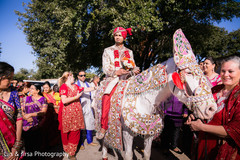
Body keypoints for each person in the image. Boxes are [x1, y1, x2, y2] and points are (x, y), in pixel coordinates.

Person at [186, 56, 240, 160]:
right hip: (202, 144)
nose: (225, 75)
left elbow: (236, 130)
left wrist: (201, 127)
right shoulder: (214, 90)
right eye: (223, 71)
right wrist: (195, 115)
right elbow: (204, 109)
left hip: (222, 150)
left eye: (230, 71)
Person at [97, 27, 140, 139]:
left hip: (127, 79)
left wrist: (135, 70)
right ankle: (103, 126)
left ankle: (136, 123)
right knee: (106, 97)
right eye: (116, 35)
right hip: (113, 79)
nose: (117, 37)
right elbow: (105, 68)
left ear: (124, 37)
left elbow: (132, 65)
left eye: (120, 35)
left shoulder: (129, 52)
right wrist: (117, 71)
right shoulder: (107, 50)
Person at [58, 72, 95, 159]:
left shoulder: (75, 86)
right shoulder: (63, 86)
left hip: (76, 113)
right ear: (68, 77)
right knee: (66, 132)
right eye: (72, 76)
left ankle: (72, 153)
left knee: (75, 132)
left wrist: (96, 87)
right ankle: (67, 150)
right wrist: (76, 97)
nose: (74, 78)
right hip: (66, 113)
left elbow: (86, 89)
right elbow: (64, 100)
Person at [0, 62, 23, 159]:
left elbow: (19, 117)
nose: (11, 81)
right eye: (8, 78)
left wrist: (17, 144)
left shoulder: (13, 93)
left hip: (13, 140)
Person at [21, 83, 48, 159]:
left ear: (38, 90)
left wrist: (31, 115)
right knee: (27, 145)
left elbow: (43, 112)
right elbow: (22, 110)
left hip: (38, 123)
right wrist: (25, 117)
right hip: (26, 124)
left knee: (36, 144)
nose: (30, 90)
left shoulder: (43, 99)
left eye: (32, 88)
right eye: (30, 88)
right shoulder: (26, 98)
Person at [76, 71, 98, 149]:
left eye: (84, 75)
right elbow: (84, 90)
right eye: (81, 75)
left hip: (88, 107)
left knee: (89, 124)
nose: (83, 77)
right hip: (80, 107)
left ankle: (89, 141)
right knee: (81, 126)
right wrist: (94, 88)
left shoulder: (87, 83)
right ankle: (81, 143)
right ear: (78, 76)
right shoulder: (76, 84)